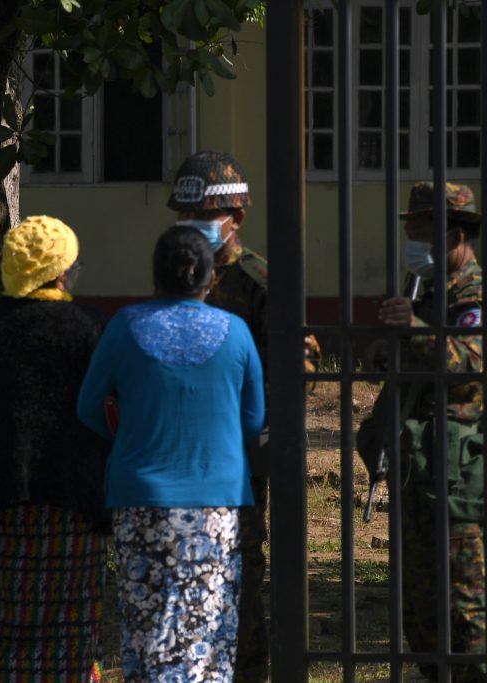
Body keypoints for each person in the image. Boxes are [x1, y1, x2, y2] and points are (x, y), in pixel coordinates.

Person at [77, 225, 265, 683]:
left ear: (155, 274)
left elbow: (88, 407)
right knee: (209, 627)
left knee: (148, 627)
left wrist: (127, 437)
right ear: (211, 278)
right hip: (215, 504)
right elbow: (254, 419)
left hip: (139, 498)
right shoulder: (236, 332)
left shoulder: (125, 326)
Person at [0, 215, 110, 682]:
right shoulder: (89, 326)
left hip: (4, 499)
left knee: (15, 618)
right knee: (74, 619)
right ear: (59, 271)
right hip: (78, 499)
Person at [376, 182, 487, 682]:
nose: (414, 244)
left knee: (464, 603)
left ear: (455, 236)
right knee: (420, 604)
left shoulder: (483, 298)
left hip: (459, 473)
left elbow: (474, 365)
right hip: (418, 464)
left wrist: (416, 330)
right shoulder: (428, 294)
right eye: (411, 232)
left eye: (422, 233)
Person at [166, 150, 271, 683]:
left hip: (238, 447)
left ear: (237, 218)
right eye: (187, 216)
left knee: (241, 560)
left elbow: (295, 361)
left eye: (205, 215)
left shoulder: (256, 281)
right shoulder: (176, 271)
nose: (194, 226)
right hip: (182, 448)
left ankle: (247, 667)